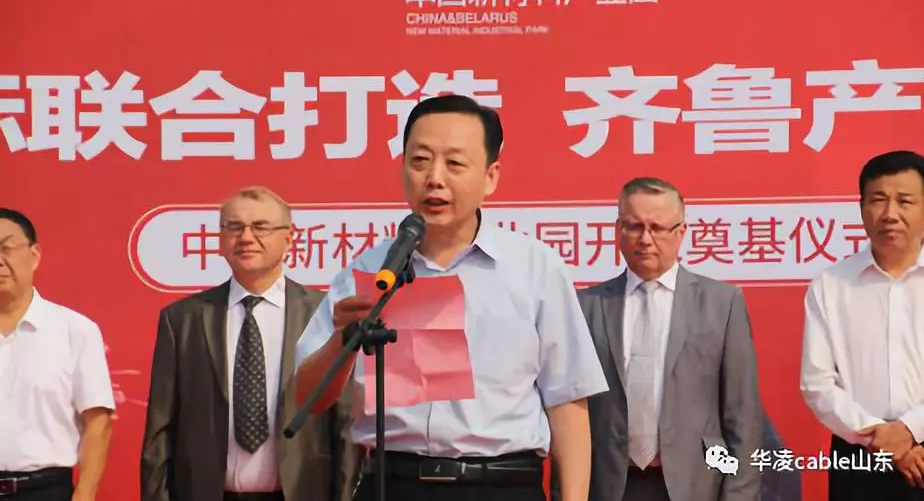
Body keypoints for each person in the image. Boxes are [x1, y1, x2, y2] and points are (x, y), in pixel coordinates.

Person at [293, 94, 609, 501]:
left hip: (501, 486)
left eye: (455, 164)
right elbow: (308, 398)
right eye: (420, 161)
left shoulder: (535, 269)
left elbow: (567, 401)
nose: (434, 178)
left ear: (491, 176)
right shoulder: (368, 271)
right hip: (393, 485)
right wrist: (342, 340)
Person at [140, 186, 361, 501]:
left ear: (289, 238)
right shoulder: (183, 320)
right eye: (234, 227)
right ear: (221, 240)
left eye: (260, 227)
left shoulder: (326, 314)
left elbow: (346, 425)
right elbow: (160, 431)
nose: (246, 237)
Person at [575, 178, 762, 501]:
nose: (645, 239)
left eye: (658, 228)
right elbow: (570, 414)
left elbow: (743, 417)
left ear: (681, 231)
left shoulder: (721, 304)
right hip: (609, 485)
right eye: (634, 226)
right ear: (618, 229)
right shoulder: (587, 306)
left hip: (696, 484)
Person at [800, 150, 924, 500]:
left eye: (905, 201)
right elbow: (816, 383)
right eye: (878, 200)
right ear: (861, 208)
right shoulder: (831, 285)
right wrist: (882, 438)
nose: (890, 214)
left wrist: (910, 430)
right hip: (860, 457)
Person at [0, 208, 115, 501]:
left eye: (6, 248)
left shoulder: (75, 330)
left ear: (34, 255)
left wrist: (85, 494)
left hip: (46, 491)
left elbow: (98, 422)